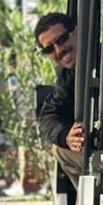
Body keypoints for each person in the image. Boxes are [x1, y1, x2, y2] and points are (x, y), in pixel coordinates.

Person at [35, 12, 87, 188]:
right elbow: (49, 115)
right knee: (62, 149)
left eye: (61, 39)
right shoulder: (67, 77)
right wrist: (66, 136)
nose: (59, 50)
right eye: (49, 49)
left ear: (77, 32)